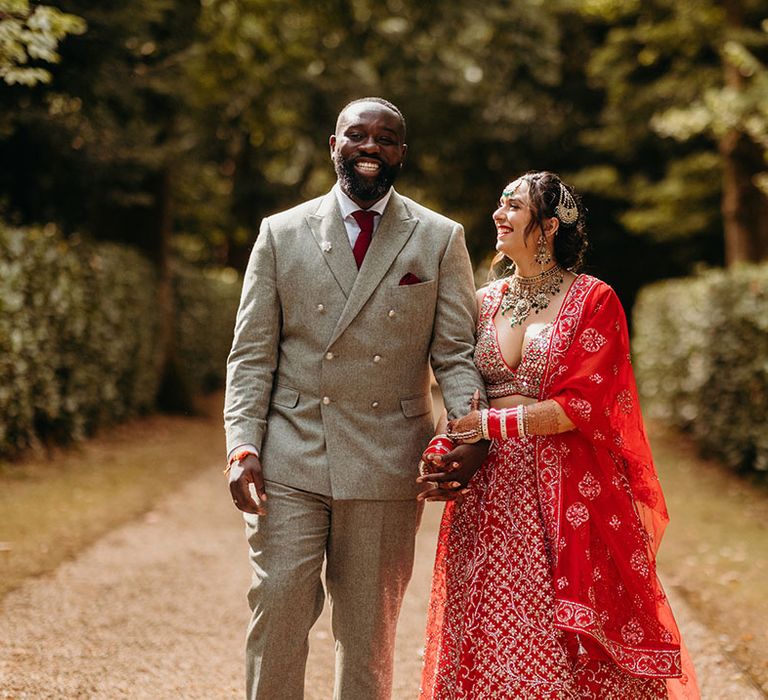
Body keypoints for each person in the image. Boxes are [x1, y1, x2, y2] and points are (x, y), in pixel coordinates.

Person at [223, 97, 488, 700]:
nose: (371, 147)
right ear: (333, 145)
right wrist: (241, 445)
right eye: (357, 135)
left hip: (390, 459)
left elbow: (454, 355)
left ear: (401, 153)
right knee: (278, 606)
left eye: (386, 139)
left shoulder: (440, 238)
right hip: (290, 452)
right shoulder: (280, 233)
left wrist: (469, 432)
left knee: (369, 632)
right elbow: (251, 356)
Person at [417, 171, 699, 699]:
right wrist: (444, 448)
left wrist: (491, 425)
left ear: (547, 227)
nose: (499, 214)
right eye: (500, 203)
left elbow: (584, 406)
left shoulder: (595, 299)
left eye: (514, 207)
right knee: (489, 628)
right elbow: (462, 389)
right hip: (489, 495)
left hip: (570, 492)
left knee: (560, 640)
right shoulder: (484, 300)